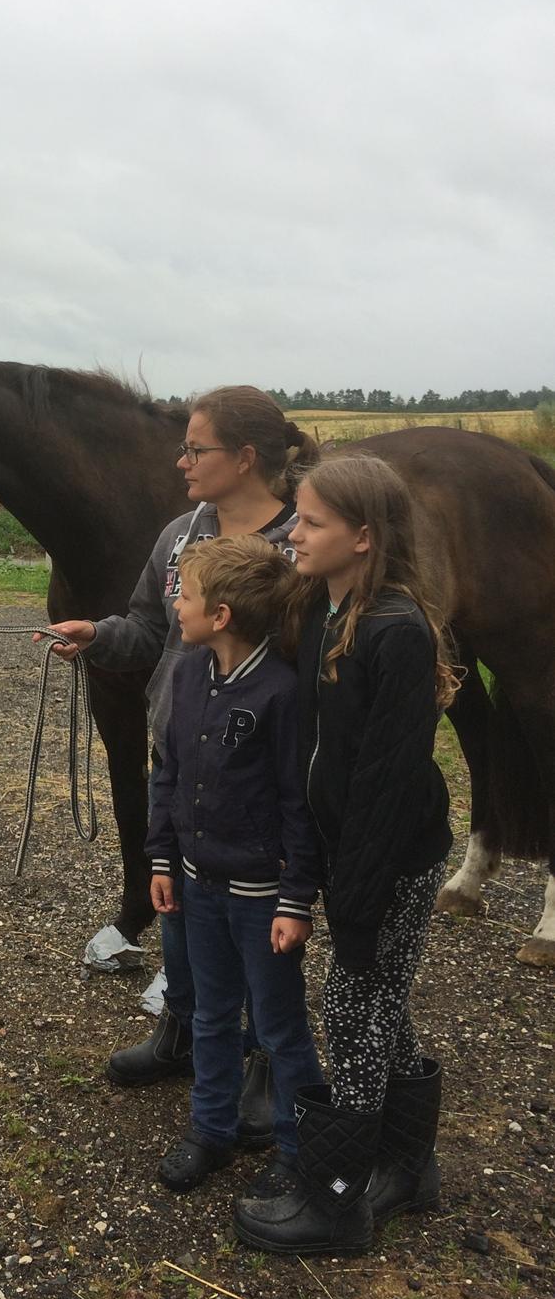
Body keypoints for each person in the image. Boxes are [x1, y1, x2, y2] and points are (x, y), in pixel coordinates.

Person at [45, 387, 316, 1138]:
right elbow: (146, 628)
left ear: (245, 458)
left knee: (258, 922)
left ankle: (263, 1059)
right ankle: (185, 1033)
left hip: (262, 767)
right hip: (182, 750)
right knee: (181, 911)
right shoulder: (178, 535)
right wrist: (97, 637)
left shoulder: (305, 541)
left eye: (197, 449)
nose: (183, 460)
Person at [233, 454, 457, 1256]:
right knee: (378, 1005)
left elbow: (386, 789)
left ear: (364, 538)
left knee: (354, 1014)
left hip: (393, 861)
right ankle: (406, 1166)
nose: (294, 531)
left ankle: (337, 1202)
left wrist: (353, 906)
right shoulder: (325, 609)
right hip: (351, 857)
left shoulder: (396, 633)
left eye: (313, 521)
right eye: (297, 515)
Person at [147, 536, 323, 1195]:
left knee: (277, 1028)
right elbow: (168, 772)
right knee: (211, 1017)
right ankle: (212, 1131)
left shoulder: (280, 693)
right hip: (196, 887)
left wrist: (295, 898)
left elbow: (297, 802)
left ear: (220, 616)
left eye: (185, 594)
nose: (175, 603)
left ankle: (300, 1147)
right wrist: (162, 855)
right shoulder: (189, 673)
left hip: (261, 898)